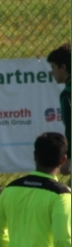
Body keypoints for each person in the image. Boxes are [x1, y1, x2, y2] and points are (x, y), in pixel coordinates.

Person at [47, 43, 71, 176]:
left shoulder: (67, 94)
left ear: (63, 67)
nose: (52, 72)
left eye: (53, 67)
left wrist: (69, 158)